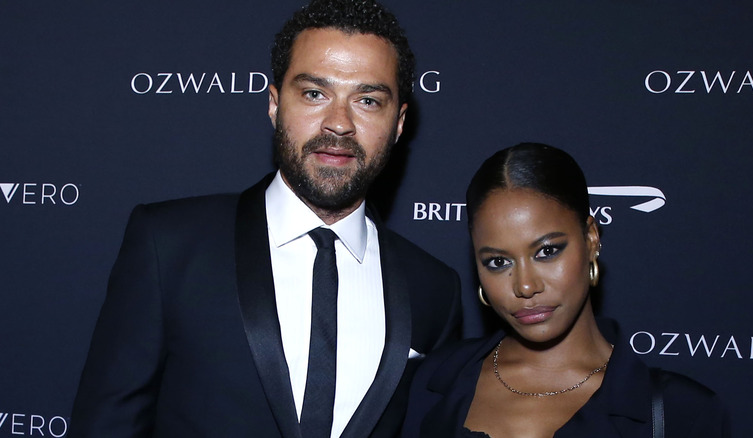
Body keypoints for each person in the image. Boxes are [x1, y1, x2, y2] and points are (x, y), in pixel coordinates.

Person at [69, 1, 462, 437]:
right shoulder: (169, 245)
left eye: (368, 100)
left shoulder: (434, 288)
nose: (339, 123)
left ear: (399, 122)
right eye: (315, 93)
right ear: (275, 104)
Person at [402, 143, 729, 437]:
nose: (525, 286)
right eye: (498, 262)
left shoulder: (682, 414)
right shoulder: (432, 382)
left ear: (591, 240)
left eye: (547, 252)